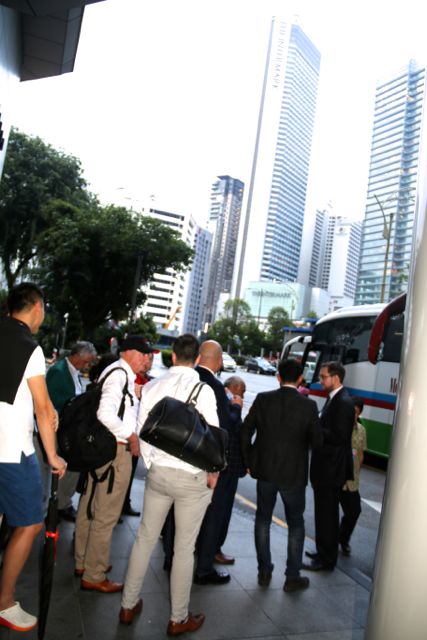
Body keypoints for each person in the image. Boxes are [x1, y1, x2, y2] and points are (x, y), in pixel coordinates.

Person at [119, 334, 219, 635]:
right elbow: (213, 437)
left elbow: (142, 431)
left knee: (145, 539)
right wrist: (212, 473)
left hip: (159, 475)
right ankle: (177, 618)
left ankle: (127, 605)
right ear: (197, 359)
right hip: (191, 478)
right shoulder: (204, 390)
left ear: (172, 356)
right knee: (184, 549)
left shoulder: (152, 387)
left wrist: (152, 464)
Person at [0, 283, 67, 632]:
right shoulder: (30, 346)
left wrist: (46, 407)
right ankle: (4, 601)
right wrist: (52, 455)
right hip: (12, 449)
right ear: (37, 307)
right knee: (29, 523)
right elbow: (42, 408)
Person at [74, 336, 148, 593]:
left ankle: (83, 561)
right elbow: (105, 413)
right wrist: (131, 436)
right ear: (128, 353)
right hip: (115, 451)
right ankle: (94, 574)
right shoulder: (120, 375)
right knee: (106, 515)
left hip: (100, 450)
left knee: (89, 506)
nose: (146, 359)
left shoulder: (113, 371)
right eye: (142, 354)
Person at [241, 358, 322, 592]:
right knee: (296, 523)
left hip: (265, 471)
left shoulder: (263, 399)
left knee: (263, 519)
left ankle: (264, 570)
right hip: (293, 474)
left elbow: (245, 430)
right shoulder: (308, 406)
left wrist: (249, 460)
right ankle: (292, 576)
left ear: (278, 377)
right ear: (300, 379)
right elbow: (317, 442)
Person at [193, 341, 243, 585]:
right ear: (219, 361)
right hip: (209, 459)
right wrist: (236, 408)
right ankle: (204, 567)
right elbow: (224, 425)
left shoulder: (187, 377)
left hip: (183, 455)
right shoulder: (214, 387)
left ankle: (171, 558)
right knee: (214, 513)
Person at [304, 361, 354, 572]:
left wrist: (314, 427)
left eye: (323, 377)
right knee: (324, 514)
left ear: (336, 377)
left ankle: (326, 559)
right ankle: (322, 551)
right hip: (326, 468)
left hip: (331, 469)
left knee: (327, 516)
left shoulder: (343, 402)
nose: (321, 380)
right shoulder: (335, 398)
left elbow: (340, 436)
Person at [46, 341, 97, 522]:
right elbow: (51, 401)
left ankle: (63, 503)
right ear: (76, 357)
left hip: (71, 429)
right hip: (60, 428)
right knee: (61, 468)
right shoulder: (58, 371)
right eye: (86, 361)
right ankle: (57, 505)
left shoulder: (72, 371)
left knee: (71, 467)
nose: (88, 365)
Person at [122, 349, 156, 518]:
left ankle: (124, 503)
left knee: (130, 472)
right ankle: (119, 505)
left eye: (150, 360)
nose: (148, 363)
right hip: (127, 434)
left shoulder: (149, 381)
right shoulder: (130, 377)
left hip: (138, 434)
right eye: (146, 359)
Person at [338, 396, 367, 555]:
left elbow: (361, 454)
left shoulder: (362, 430)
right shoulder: (340, 426)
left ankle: (343, 539)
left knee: (354, 511)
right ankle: (328, 544)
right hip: (337, 478)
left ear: (359, 413)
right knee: (329, 513)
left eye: (356, 412)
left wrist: (357, 471)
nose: (353, 414)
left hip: (352, 480)